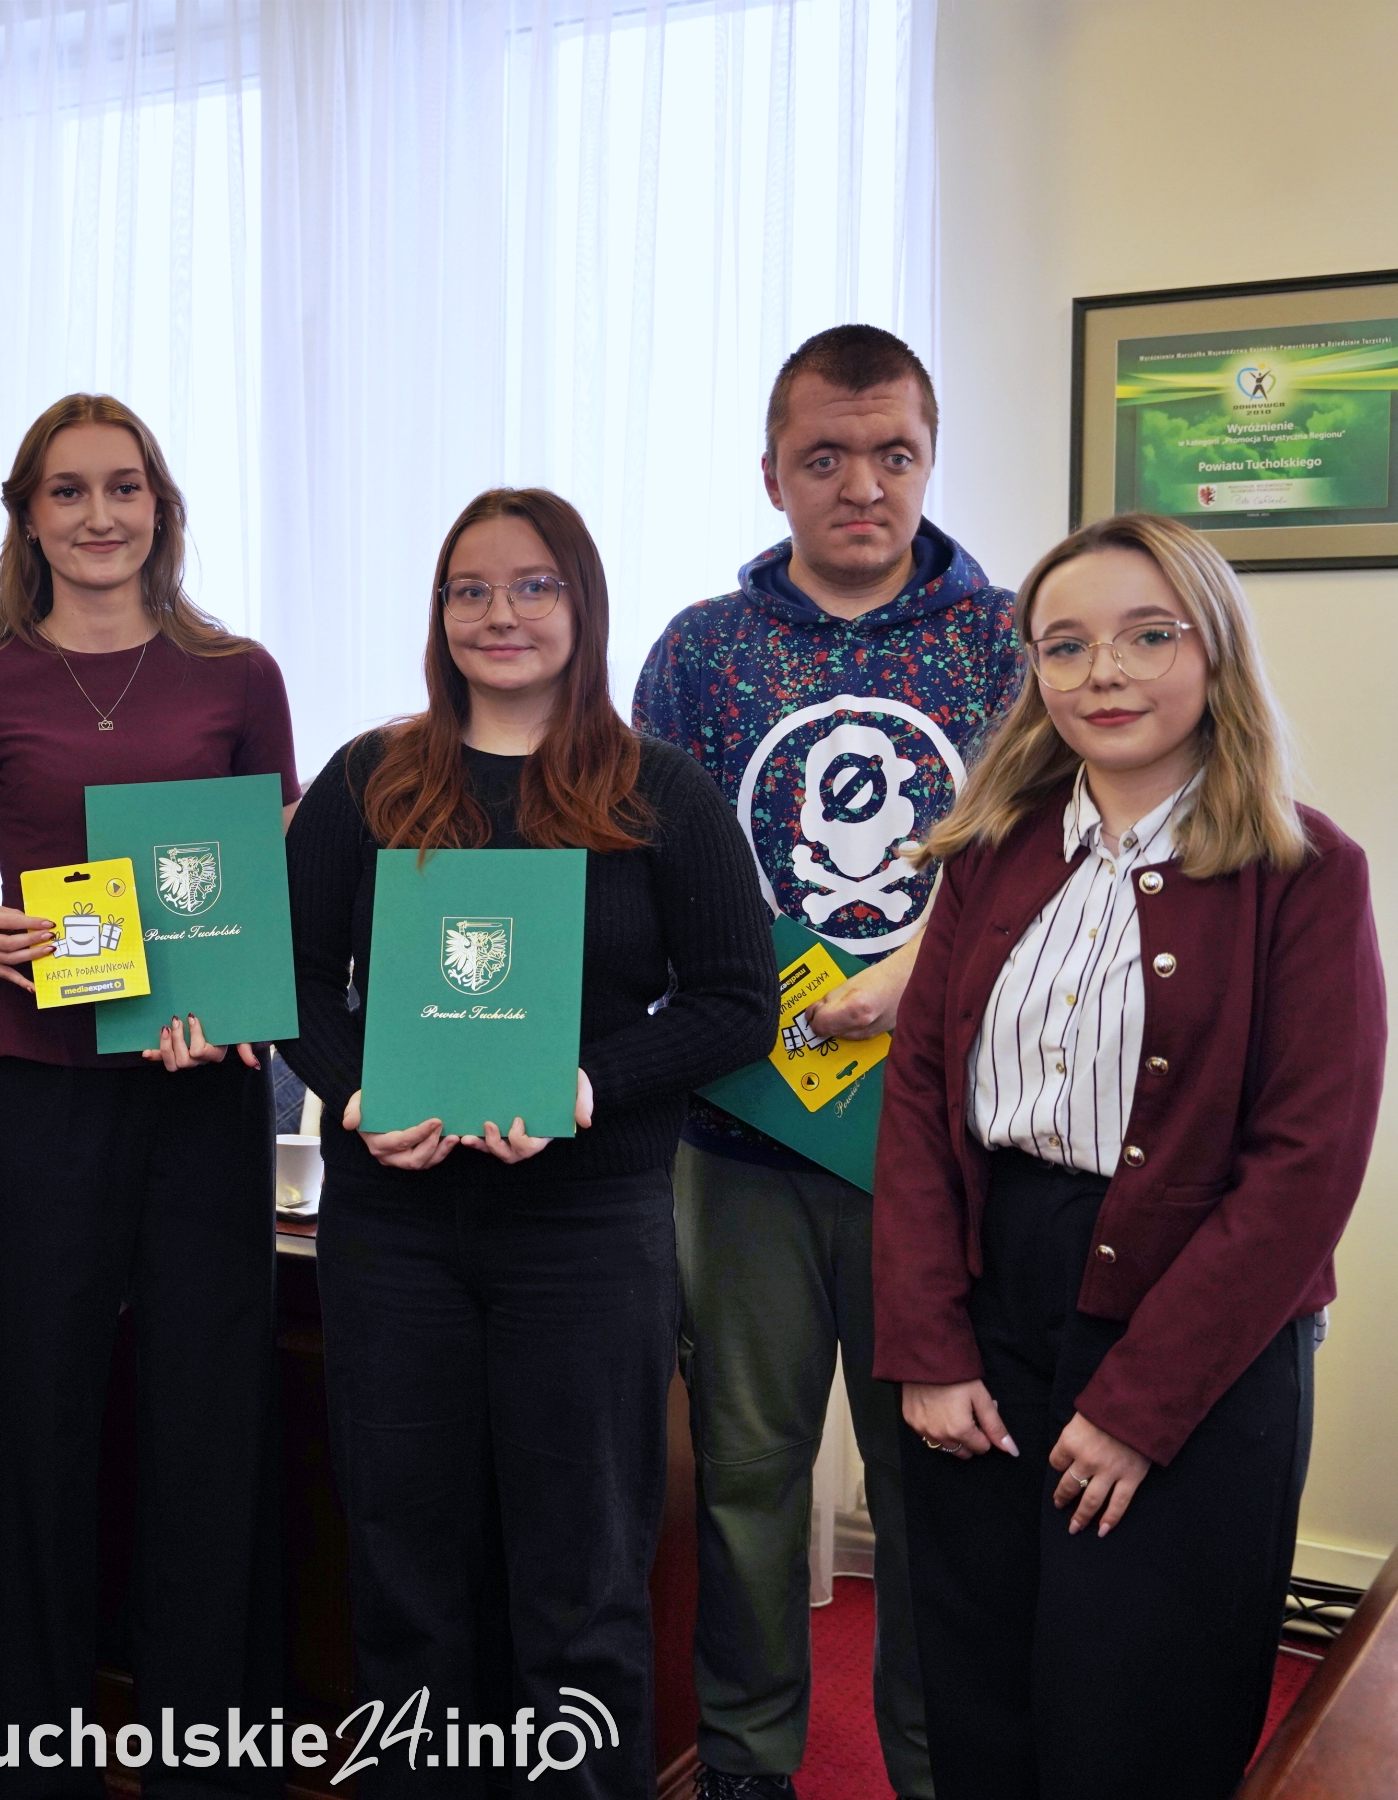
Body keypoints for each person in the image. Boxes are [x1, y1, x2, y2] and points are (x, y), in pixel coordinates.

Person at [875, 512, 1383, 1800]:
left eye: (1147, 636)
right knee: (982, 1693)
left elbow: (1306, 1163)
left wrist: (1140, 1405)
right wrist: (930, 1350)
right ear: (1035, 675)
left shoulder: (1305, 867)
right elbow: (925, 1104)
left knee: (1137, 1708)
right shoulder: (986, 855)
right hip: (995, 1297)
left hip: (1197, 1317)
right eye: (1067, 645)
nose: (1105, 674)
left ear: (1213, 650)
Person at [281, 487, 776, 1797]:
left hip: (586, 1237)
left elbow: (737, 1002)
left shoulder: (658, 789)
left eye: (533, 584)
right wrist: (351, 1096)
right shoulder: (368, 780)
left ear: (583, 604)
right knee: (403, 1567)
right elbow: (292, 981)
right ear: (439, 617)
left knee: (584, 1578)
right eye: (469, 589)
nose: (499, 614)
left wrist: (586, 1087)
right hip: (394, 1235)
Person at [633, 324, 1021, 1800]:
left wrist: (915, 967)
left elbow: (1051, 865)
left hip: (943, 1146)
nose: (863, 484)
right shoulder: (699, 652)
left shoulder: (1005, 640)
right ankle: (744, 1771)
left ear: (929, 457)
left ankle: (934, 1771)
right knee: (741, 1486)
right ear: (774, 470)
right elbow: (647, 868)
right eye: (826, 457)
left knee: (939, 1489)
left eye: (894, 453)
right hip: (738, 1140)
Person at [0, 393, 297, 1799]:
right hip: (39, 1088)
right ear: (28, 517)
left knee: (209, 1426)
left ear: (161, 506)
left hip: (201, 1097)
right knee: (34, 1423)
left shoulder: (238, 673)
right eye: (67, 493)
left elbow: (279, 873)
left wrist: (252, 1005)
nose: (98, 516)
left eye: (123, 488)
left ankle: (210, 1760)